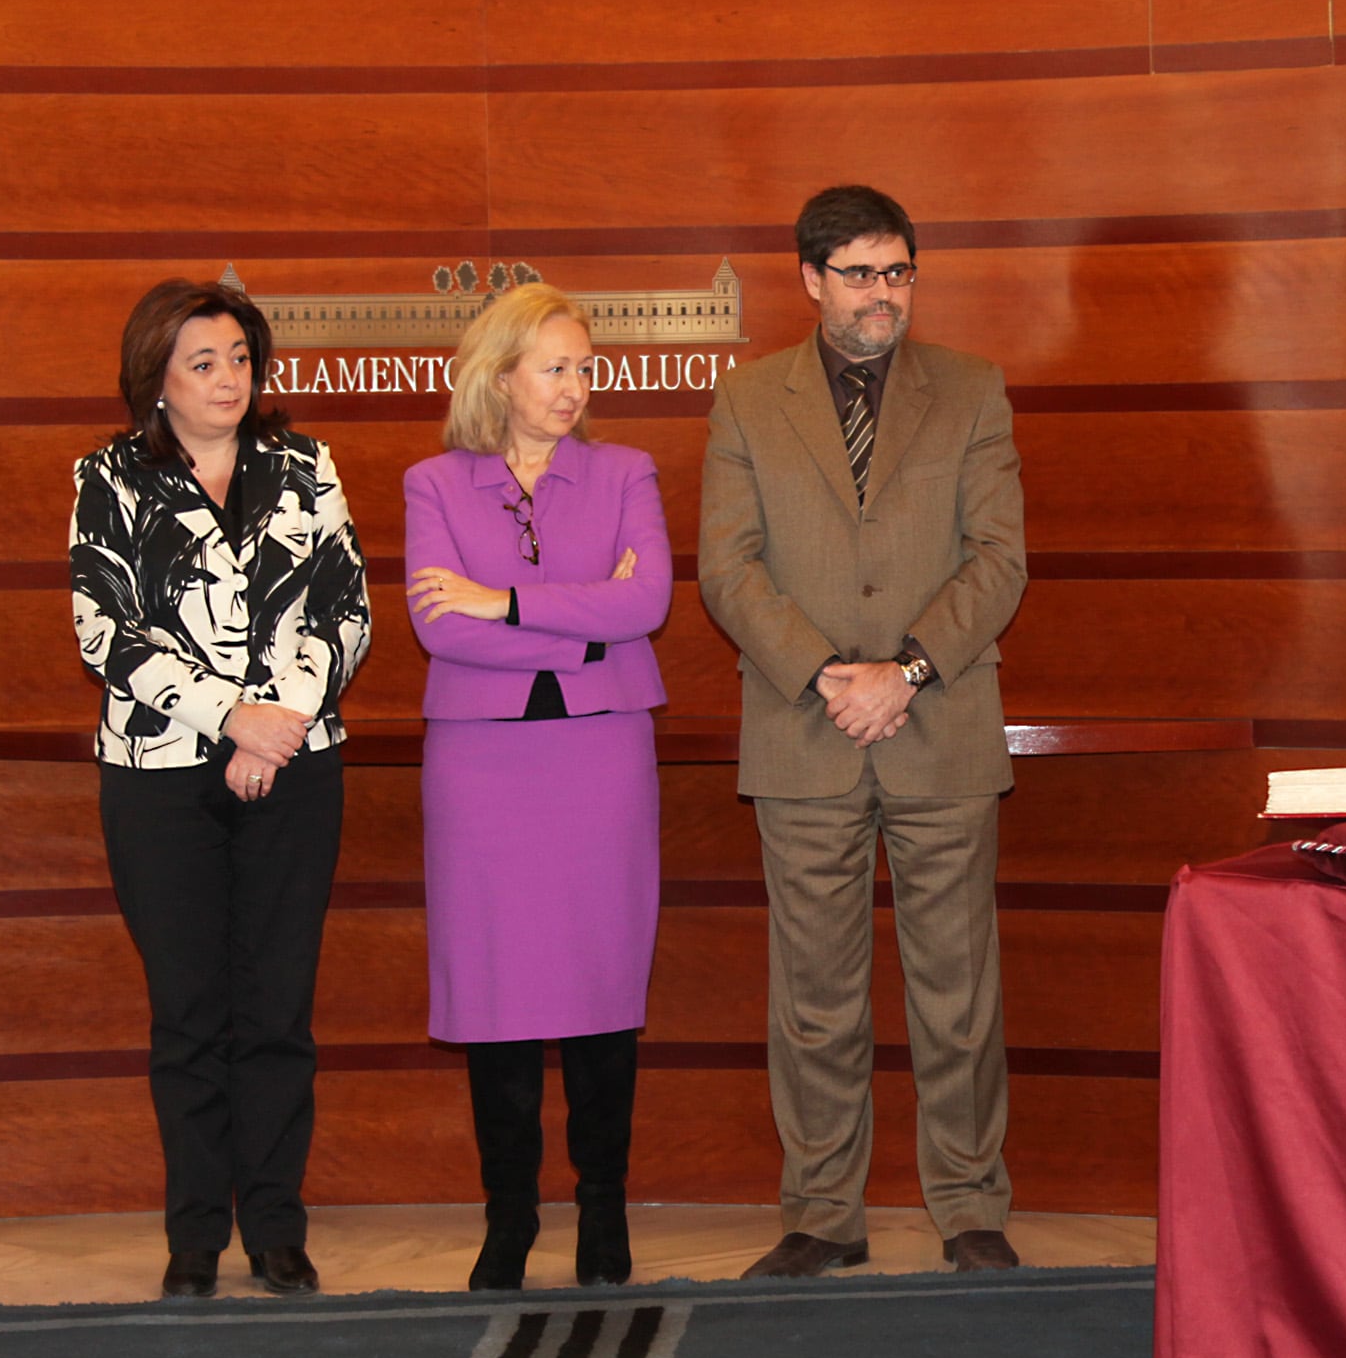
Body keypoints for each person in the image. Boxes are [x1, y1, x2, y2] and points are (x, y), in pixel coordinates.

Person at [699, 185, 1028, 1276]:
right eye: (859, 274)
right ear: (809, 281)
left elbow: (999, 559)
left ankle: (972, 1207)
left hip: (939, 727)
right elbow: (727, 567)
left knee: (957, 991)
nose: (881, 294)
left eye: (897, 272)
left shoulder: (972, 391)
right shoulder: (749, 402)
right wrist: (827, 674)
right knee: (815, 999)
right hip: (804, 729)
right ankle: (820, 1215)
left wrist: (910, 671)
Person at [70, 278, 371, 1299]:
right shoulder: (108, 478)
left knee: (277, 1009)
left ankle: (276, 1228)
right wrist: (226, 716)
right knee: (190, 1012)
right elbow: (106, 630)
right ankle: (195, 1235)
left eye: (239, 357)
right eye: (203, 362)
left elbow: (345, 610)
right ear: (155, 378)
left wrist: (272, 726)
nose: (228, 378)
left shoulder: (302, 466)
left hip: (293, 770)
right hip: (158, 781)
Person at [405, 283, 671, 1291]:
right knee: (495, 990)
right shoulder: (434, 483)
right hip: (483, 765)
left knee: (602, 983)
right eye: (555, 368)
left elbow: (644, 601)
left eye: (583, 368)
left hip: (600, 756)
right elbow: (440, 625)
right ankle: (508, 1220)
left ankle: (603, 1213)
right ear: (501, 375)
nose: (575, 387)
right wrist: (582, 614)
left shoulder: (624, 470)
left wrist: (506, 599)